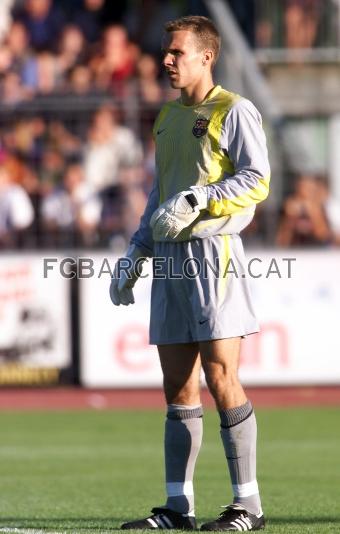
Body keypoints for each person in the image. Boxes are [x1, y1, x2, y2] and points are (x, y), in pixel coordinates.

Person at [110, 15, 270, 531]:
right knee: (177, 384)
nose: (167, 60)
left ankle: (249, 506)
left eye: (177, 52)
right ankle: (179, 508)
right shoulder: (166, 118)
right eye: (166, 51)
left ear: (207, 56)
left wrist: (203, 196)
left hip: (213, 255)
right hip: (171, 260)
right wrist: (138, 249)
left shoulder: (234, 110)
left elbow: (256, 179)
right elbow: (160, 194)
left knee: (222, 378)